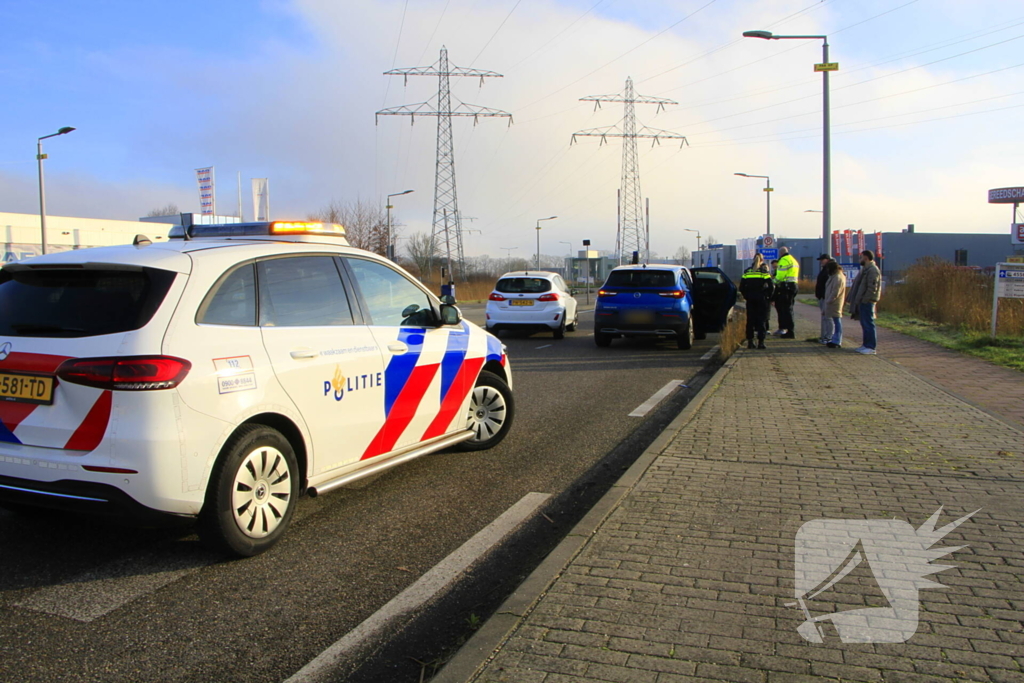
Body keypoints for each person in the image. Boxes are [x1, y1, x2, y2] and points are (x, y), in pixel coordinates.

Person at [847, 249, 881, 354]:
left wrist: (865, 299)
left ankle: (871, 347)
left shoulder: (872, 270)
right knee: (864, 324)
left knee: (868, 324)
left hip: (867, 302)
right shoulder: (865, 270)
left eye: (861, 257)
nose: (860, 259)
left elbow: (872, 287)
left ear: (866, 258)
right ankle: (865, 345)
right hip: (862, 301)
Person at [740, 253, 775, 349]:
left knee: (750, 321)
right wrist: (767, 296)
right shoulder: (763, 272)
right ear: (762, 261)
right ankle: (761, 342)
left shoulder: (747, 272)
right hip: (761, 299)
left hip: (750, 299)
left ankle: (750, 342)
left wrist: (746, 296)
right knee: (761, 321)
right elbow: (771, 287)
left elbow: (742, 287)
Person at [772, 247, 800, 338]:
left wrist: (773, 282)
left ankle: (790, 331)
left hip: (786, 287)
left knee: (786, 309)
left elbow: (780, 275)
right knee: (789, 308)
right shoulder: (793, 260)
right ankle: (788, 329)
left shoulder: (783, 260)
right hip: (793, 286)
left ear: (781, 253)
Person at [822, 260, 846, 348]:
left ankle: (837, 340)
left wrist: (828, 301)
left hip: (835, 303)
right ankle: (834, 339)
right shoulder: (835, 276)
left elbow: (835, 291)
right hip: (832, 302)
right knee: (835, 320)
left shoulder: (838, 277)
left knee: (837, 321)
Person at [814, 253, 834, 344]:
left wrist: (825, 295)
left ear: (827, 260)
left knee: (828, 317)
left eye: (822, 260)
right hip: (822, 296)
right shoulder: (824, 270)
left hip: (826, 296)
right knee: (825, 317)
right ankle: (825, 335)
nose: (821, 262)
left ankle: (829, 336)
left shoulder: (829, 270)